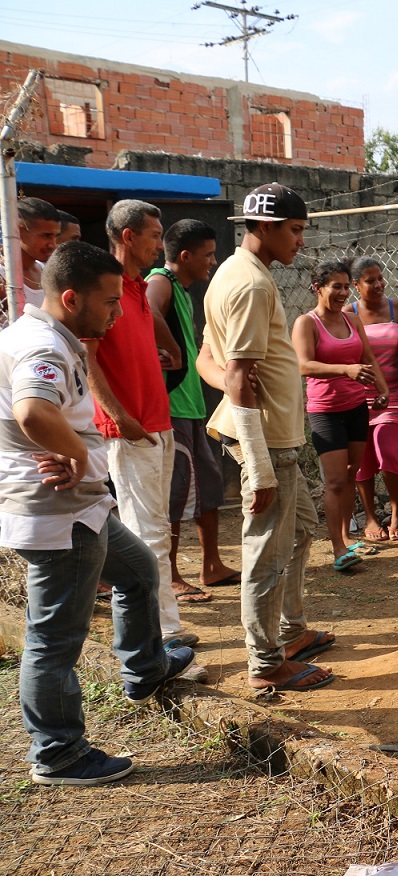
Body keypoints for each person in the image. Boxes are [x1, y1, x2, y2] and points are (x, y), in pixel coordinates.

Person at [0, 241, 194, 785]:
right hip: (58, 508)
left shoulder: (34, 334)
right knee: (55, 638)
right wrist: (79, 455)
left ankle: (146, 667)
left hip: (76, 504)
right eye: (109, 301)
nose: (117, 311)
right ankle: (58, 752)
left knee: (137, 572)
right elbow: (34, 411)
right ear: (70, 297)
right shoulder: (45, 346)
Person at [202, 182, 334, 692]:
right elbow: (234, 372)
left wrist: (234, 382)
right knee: (266, 551)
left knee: (299, 529)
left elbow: (207, 361)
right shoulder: (251, 285)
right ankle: (265, 663)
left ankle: (291, 631)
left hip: (275, 436)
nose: (301, 241)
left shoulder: (233, 274)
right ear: (265, 227)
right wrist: (258, 468)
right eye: (296, 230)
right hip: (267, 443)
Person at [88, 200, 200, 656]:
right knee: (145, 533)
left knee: (156, 528)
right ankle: (159, 638)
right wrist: (117, 416)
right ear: (128, 236)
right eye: (154, 235)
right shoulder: (104, 287)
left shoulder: (134, 288)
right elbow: (87, 356)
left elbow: (133, 340)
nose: (160, 243)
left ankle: (164, 626)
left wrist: (166, 350)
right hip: (130, 429)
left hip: (156, 422)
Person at [144, 219, 242, 598]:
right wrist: (173, 351)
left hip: (192, 406)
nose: (213, 262)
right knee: (175, 493)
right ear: (184, 256)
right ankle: (169, 575)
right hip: (172, 408)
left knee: (209, 486)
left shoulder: (184, 291)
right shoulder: (161, 282)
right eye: (207, 255)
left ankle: (211, 565)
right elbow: (149, 311)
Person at [292, 259, 390, 571]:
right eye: (337, 286)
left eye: (347, 286)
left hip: (356, 407)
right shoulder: (306, 323)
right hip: (326, 412)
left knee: (351, 474)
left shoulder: (352, 320)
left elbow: (368, 357)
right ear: (317, 288)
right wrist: (344, 370)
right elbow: (303, 365)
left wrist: (382, 390)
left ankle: (346, 537)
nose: (343, 292)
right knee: (334, 481)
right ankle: (337, 548)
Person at [349, 256, 398, 542]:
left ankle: (397, 512)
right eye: (370, 280)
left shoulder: (394, 307)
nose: (378, 284)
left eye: (380, 278)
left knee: (388, 454)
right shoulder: (348, 314)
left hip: (392, 396)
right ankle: (371, 517)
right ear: (356, 285)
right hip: (357, 400)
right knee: (363, 463)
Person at [0, 197, 61, 328]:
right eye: (46, 236)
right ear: (19, 231)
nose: (53, 245)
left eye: (55, 236)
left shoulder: (48, 272)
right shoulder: (2, 276)